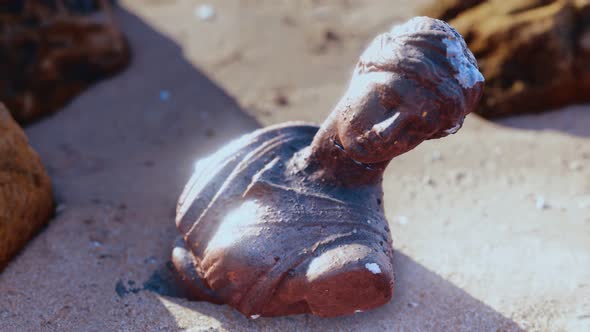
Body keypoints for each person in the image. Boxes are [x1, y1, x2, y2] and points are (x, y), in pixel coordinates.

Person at [173, 16, 484, 318]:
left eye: (415, 130)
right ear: (363, 69)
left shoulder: (356, 258)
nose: (387, 131)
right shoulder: (269, 144)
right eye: (386, 100)